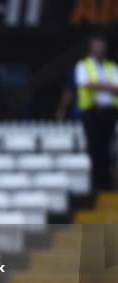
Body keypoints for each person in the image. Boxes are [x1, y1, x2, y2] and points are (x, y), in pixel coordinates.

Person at [75, 36, 118, 191]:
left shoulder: (111, 66)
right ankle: (96, 186)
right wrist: (108, 86)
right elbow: (86, 84)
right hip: (92, 112)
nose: (100, 51)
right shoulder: (83, 65)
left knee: (107, 148)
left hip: (109, 112)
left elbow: (116, 88)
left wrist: (98, 86)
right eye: (97, 48)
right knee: (94, 148)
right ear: (91, 49)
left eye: (102, 48)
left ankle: (107, 185)